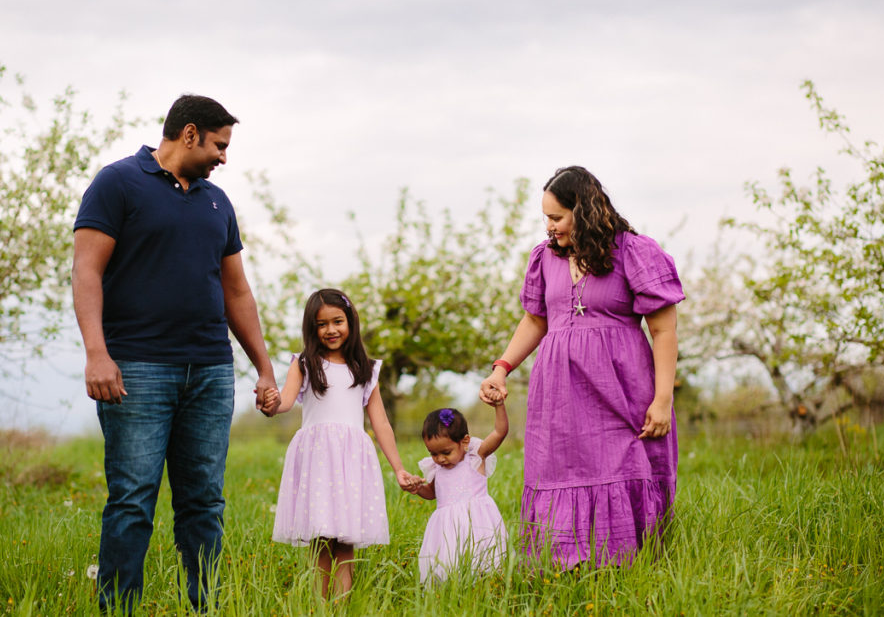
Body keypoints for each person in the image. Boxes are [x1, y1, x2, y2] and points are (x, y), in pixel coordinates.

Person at [71, 94, 277, 612]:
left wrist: (264, 367)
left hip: (209, 370)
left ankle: (202, 606)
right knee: (133, 500)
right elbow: (86, 270)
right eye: (219, 145)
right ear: (189, 133)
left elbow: (237, 291)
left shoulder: (217, 202)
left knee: (204, 502)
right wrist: (97, 353)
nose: (224, 158)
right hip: (136, 369)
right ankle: (118, 608)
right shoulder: (117, 182)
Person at [479, 166, 683, 569]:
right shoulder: (545, 257)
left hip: (622, 389)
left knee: (626, 465)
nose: (549, 227)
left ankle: (629, 567)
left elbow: (664, 329)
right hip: (559, 395)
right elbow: (536, 320)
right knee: (561, 473)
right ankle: (566, 569)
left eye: (556, 217)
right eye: (546, 219)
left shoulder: (633, 252)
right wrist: (501, 367)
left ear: (583, 211)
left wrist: (662, 400)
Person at [262, 288, 418, 598]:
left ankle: (341, 607)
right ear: (312, 328)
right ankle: (322, 605)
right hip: (317, 459)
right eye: (322, 324)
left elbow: (381, 422)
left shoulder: (366, 368)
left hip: (351, 461)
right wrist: (271, 402)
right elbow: (286, 400)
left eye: (338, 321)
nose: (331, 330)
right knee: (321, 540)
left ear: (351, 322)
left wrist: (399, 468)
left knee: (345, 542)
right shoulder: (305, 363)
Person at [412, 405, 509, 583]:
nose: (440, 459)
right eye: (433, 453)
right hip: (447, 529)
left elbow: (499, 432)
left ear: (464, 442)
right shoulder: (437, 469)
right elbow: (431, 493)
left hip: (477, 525)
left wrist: (499, 406)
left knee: (482, 563)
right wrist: (417, 488)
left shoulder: (475, 457)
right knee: (448, 565)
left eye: (446, 452)